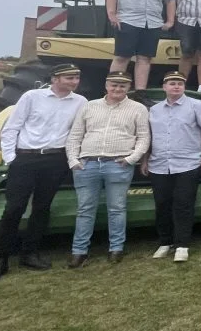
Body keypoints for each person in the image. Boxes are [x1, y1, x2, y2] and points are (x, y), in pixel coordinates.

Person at [0, 64, 87, 283]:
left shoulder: (80, 102)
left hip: (55, 159)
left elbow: (79, 131)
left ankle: (29, 253)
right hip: (26, 158)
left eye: (76, 78)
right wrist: (12, 159)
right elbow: (12, 128)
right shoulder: (32, 96)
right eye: (69, 77)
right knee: (14, 208)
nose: (74, 81)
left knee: (42, 207)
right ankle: (1, 258)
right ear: (55, 78)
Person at [65, 72, 151, 267]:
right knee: (85, 209)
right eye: (114, 85)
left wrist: (131, 159)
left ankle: (116, 248)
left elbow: (143, 137)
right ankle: (79, 251)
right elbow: (75, 135)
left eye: (122, 85)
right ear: (106, 85)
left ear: (129, 87)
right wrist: (73, 160)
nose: (117, 89)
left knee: (117, 208)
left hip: (118, 164)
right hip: (87, 164)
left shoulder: (138, 109)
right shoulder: (89, 106)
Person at [145, 70, 201, 264]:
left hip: (187, 163)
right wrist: (145, 159)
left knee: (183, 204)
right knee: (162, 204)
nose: (176, 86)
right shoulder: (154, 109)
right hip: (159, 164)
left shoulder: (197, 105)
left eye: (180, 83)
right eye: (172, 83)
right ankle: (165, 242)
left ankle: (182, 244)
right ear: (164, 87)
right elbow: (150, 136)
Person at [105, 0, 177, 90]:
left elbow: (170, 0)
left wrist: (170, 21)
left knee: (145, 59)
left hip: (152, 23)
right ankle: (112, 89)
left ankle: (140, 93)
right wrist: (112, 13)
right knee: (121, 57)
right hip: (128, 20)